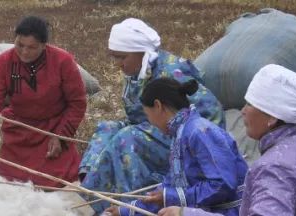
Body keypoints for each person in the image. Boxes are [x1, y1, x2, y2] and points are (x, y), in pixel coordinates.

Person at [156, 65, 296, 216]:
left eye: (251, 104)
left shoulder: (275, 167)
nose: (243, 111)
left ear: (272, 117)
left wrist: (187, 213)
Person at [79, 18, 225, 213]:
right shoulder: (136, 73)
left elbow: (212, 112)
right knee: (107, 127)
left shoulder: (171, 72)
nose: (118, 64)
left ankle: (128, 203)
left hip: (181, 140)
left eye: (122, 57)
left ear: (140, 52)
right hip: (153, 130)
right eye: (115, 57)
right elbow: (136, 117)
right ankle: (93, 187)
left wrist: (191, 147)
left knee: (127, 138)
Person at [0, 16, 86, 186]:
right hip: (19, 132)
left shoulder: (63, 61)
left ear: (44, 46)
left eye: (32, 48)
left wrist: (60, 137)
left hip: (52, 130)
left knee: (53, 181)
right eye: (19, 45)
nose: (24, 52)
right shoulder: (4, 62)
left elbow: (77, 103)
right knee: (11, 181)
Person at [103, 78, 247, 216]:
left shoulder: (199, 132)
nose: (150, 122)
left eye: (148, 115)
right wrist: (126, 210)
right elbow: (169, 188)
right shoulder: (180, 135)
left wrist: (168, 196)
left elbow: (223, 185)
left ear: (158, 106)